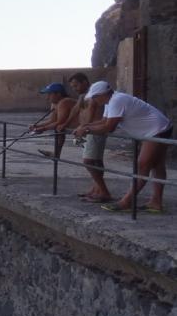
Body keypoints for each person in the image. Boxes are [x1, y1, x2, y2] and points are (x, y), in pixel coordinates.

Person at [74, 81, 171, 212]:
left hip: (157, 129)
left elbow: (109, 127)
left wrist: (86, 130)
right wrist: (85, 126)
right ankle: (156, 202)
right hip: (159, 128)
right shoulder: (111, 101)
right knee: (157, 165)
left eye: (95, 97)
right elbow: (104, 121)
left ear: (102, 94)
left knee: (142, 165)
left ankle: (126, 202)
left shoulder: (116, 101)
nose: (94, 100)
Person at [68, 73, 111, 202]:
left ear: (85, 82)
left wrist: (85, 128)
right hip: (88, 131)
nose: (74, 88)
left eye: (76, 85)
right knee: (96, 161)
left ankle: (104, 192)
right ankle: (96, 189)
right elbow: (75, 110)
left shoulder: (93, 95)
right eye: (73, 86)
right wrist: (64, 124)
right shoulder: (83, 96)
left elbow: (92, 113)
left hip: (93, 132)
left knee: (89, 161)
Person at [30, 82, 75, 159]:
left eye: (50, 94)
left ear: (58, 94)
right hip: (74, 130)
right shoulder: (54, 104)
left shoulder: (65, 102)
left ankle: (57, 153)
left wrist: (42, 129)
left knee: (89, 158)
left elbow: (60, 122)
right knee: (58, 129)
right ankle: (56, 153)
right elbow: (52, 120)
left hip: (83, 130)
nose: (48, 97)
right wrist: (37, 125)